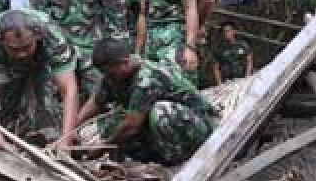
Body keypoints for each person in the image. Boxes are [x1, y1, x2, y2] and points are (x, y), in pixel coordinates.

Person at [78, 38, 217, 165]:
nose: (108, 78)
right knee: (110, 122)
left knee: (161, 111)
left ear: (124, 62)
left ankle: (178, 162)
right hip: (167, 129)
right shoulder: (114, 76)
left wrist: (103, 147)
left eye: (110, 74)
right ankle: (151, 155)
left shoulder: (146, 78)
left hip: (199, 126)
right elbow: (96, 102)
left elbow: (131, 126)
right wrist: (73, 128)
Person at [0, 9, 80, 150]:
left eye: (27, 47)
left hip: (41, 60)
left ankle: (49, 140)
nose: (22, 54)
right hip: (6, 65)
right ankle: (9, 141)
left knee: (46, 100)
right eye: (15, 49)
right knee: (4, 105)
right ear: (1, 42)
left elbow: (69, 91)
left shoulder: (51, 35)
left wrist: (66, 140)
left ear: (37, 37)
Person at [210, 21, 254, 85]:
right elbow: (215, 68)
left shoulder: (243, 45)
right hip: (227, 81)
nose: (226, 33)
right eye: (224, 31)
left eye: (228, 31)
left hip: (242, 79)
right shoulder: (219, 49)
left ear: (234, 31)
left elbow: (249, 61)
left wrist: (247, 77)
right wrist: (219, 83)